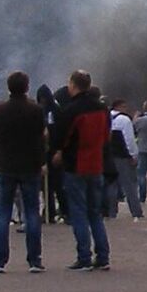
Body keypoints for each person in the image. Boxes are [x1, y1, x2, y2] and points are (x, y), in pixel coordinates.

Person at [0, 72, 48, 274]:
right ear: (27, 87)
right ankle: (34, 260)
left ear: (8, 87)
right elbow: (41, 138)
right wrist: (42, 161)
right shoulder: (36, 110)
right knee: (32, 212)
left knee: (3, 213)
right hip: (30, 165)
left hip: (6, 165)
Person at [53, 70, 112, 271]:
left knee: (78, 212)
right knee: (95, 213)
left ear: (73, 85)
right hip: (96, 164)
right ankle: (103, 256)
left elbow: (63, 138)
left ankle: (84, 256)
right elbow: (106, 137)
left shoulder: (71, 110)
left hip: (75, 165)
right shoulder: (103, 109)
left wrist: (58, 153)